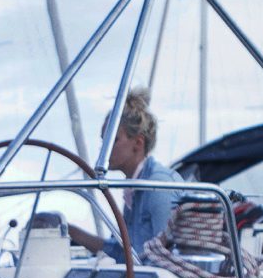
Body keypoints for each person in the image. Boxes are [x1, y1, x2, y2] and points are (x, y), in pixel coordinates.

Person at [67, 87, 185, 261]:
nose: (104, 148)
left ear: (138, 143)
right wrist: (70, 231)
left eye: (112, 140)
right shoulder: (134, 188)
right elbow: (123, 252)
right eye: (103, 141)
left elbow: (168, 258)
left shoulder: (159, 187)